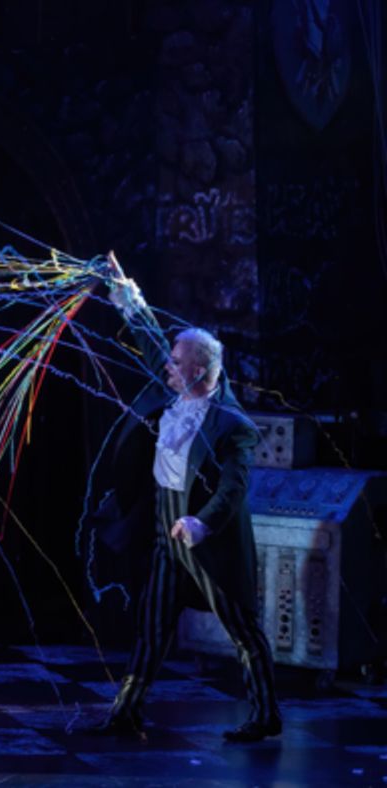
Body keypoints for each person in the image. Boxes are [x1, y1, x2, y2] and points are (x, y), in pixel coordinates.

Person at [87, 253, 280, 742]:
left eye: (176, 364)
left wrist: (202, 523)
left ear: (197, 372)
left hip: (206, 542)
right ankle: (125, 711)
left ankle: (265, 714)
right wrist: (125, 291)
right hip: (164, 533)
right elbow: (153, 343)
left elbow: (235, 488)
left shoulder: (232, 426)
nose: (166, 368)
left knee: (241, 629)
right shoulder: (179, 390)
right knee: (152, 624)